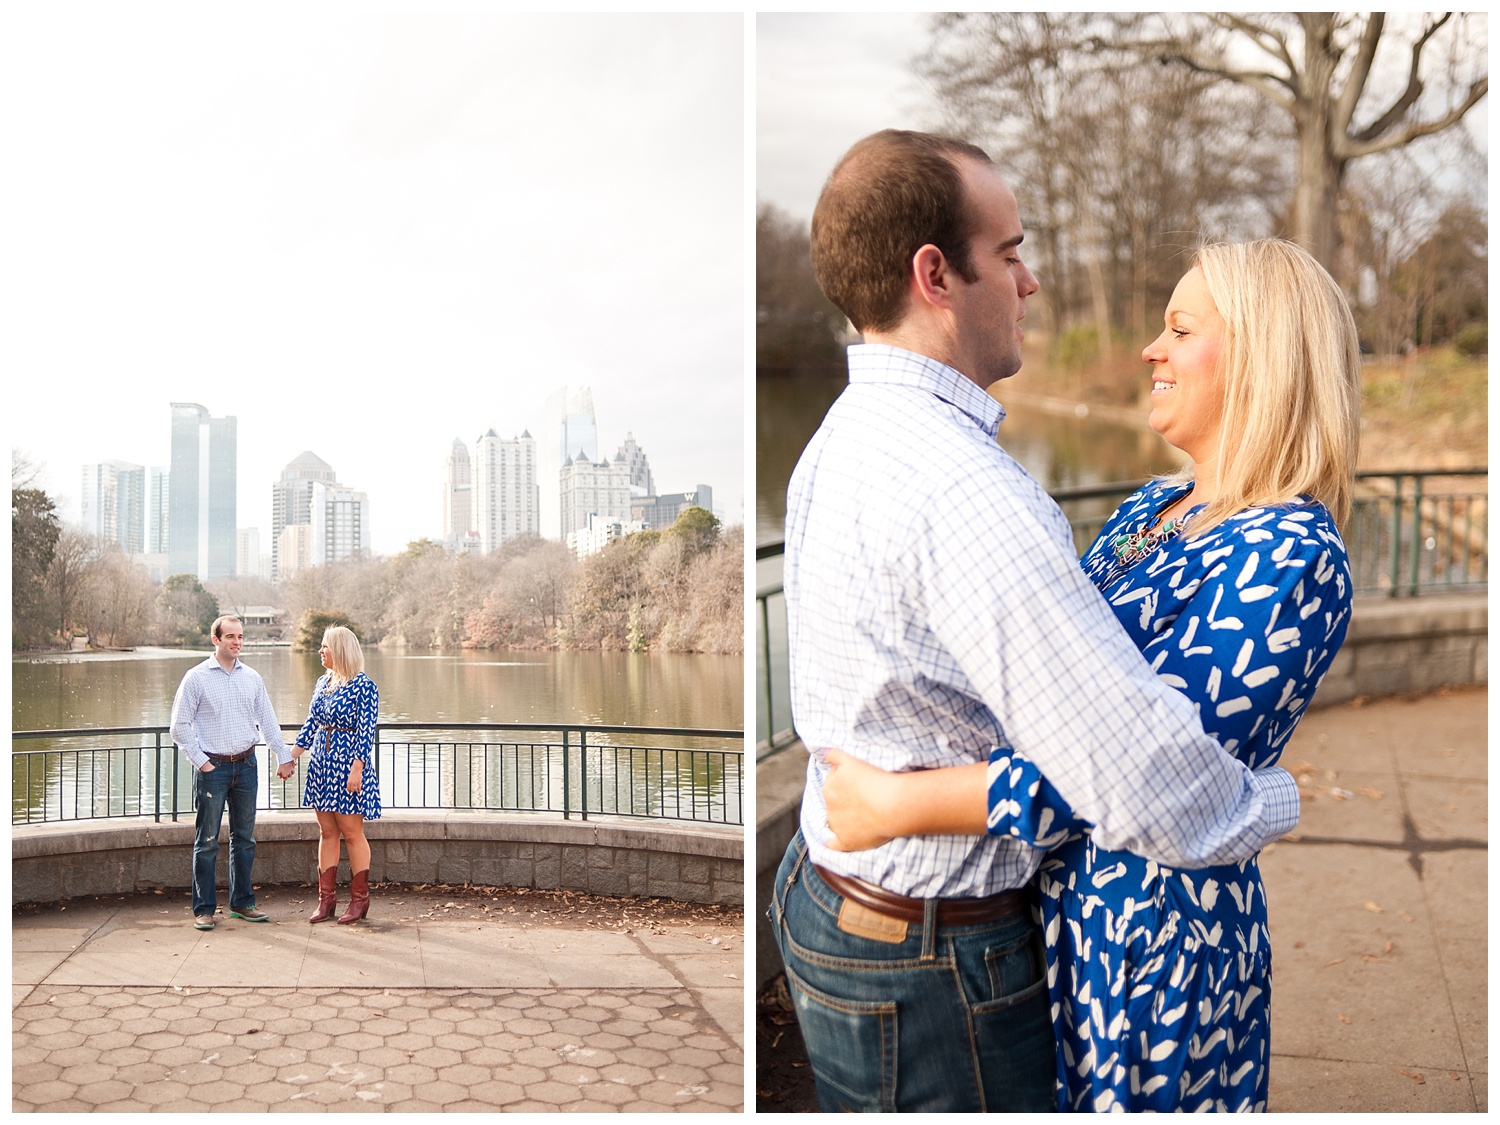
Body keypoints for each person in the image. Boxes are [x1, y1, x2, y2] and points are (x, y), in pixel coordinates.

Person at [770, 129, 1306, 1113]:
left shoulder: (843, 441)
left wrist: (906, 805)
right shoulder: (965, 490)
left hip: (840, 894)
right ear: (936, 274)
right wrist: (1272, 801)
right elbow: (1152, 785)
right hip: (928, 952)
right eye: (1010, 254)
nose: (1032, 281)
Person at [170, 614, 296, 931]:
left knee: (245, 839)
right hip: (213, 768)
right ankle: (204, 909)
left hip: (247, 765)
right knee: (208, 840)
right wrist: (202, 762)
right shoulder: (196, 678)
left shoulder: (252, 678)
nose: (237, 642)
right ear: (216, 639)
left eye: (240, 636)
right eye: (231, 637)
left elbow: (267, 720)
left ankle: (242, 903)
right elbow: (179, 727)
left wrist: (283, 756)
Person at [292, 626, 381, 925]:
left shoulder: (363, 686)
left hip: (347, 766)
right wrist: (289, 756)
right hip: (321, 763)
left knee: (352, 832)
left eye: (325, 646)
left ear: (339, 650)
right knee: (327, 831)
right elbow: (310, 724)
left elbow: (367, 732)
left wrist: (358, 769)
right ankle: (326, 900)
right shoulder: (322, 682)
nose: (320, 651)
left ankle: (359, 901)